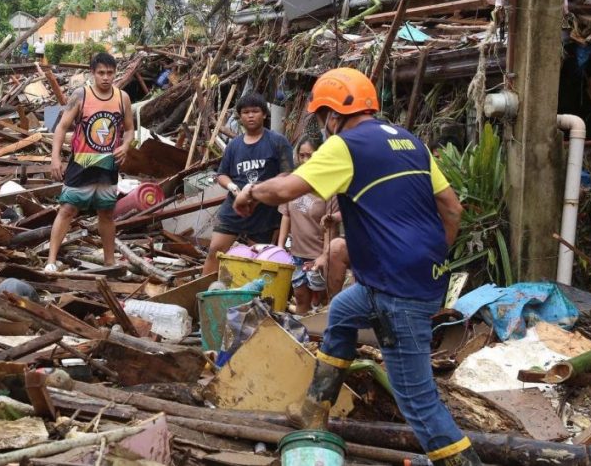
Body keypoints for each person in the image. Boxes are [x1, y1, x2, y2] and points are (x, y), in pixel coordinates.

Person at [233, 68, 478, 466]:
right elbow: (452, 209)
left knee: (418, 402)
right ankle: (314, 409)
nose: (324, 124)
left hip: (397, 290)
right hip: (414, 279)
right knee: (343, 312)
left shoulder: (346, 146)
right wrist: (427, 260)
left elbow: (286, 189)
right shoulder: (410, 142)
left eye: (322, 117)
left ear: (333, 114)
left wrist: (249, 191)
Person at [47, 52, 134, 271]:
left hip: (108, 164)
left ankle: (109, 262)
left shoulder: (122, 98)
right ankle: (51, 261)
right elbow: (61, 127)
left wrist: (125, 146)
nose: (106, 77)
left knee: (106, 213)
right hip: (82, 162)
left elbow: (129, 129)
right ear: (92, 73)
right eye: (101, 73)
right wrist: (55, 158)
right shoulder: (81, 95)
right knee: (67, 209)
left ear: (115, 73)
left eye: (110, 73)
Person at [202, 93, 293, 276]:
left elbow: (287, 174)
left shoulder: (277, 141)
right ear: (240, 116)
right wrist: (233, 188)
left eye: (255, 111)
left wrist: (261, 191)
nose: (250, 116)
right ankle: (204, 287)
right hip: (235, 207)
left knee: (259, 259)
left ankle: (252, 292)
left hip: (264, 212)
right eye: (245, 112)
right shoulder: (234, 145)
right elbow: (222, 174)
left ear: (264, 114)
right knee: (215, 250)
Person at [276, 135, 348, 314]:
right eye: (302, 155)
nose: (306, 160)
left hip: (319, 255)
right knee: (301, 298)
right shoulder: (293, 183)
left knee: (322, 301)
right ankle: (301, 329)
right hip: (296, 254)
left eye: (310, 155)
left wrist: (324, 255)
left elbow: (330, 224)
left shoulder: (328, 186)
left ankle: (322, 329)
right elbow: (286, 215)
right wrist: (280, 246)